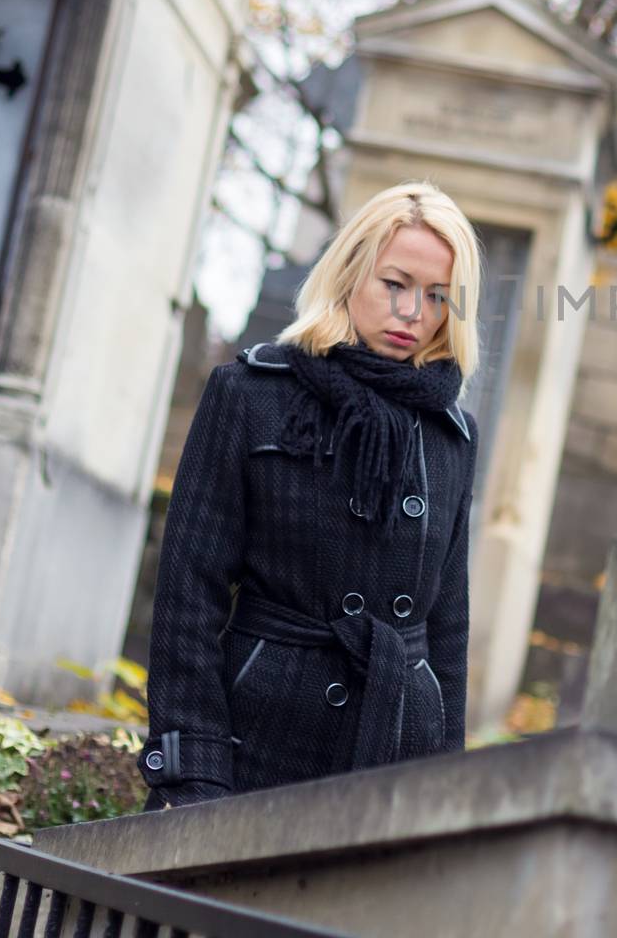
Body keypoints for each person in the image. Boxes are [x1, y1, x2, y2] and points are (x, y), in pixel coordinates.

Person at [139, 181, 481, 809]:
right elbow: (191, 594)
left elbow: (446, 628)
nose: (413, 313)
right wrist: (195, 764)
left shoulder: (450, 434)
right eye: (395, 284)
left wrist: (442, 793)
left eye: (437, 296)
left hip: (397, 752)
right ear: (350, 273)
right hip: (259, 737)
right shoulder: (250, 394)